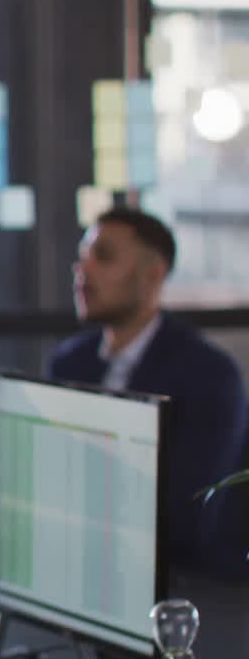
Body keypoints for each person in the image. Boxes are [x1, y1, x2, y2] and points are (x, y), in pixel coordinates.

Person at [49, 208, 248, 577]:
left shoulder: (209, 375)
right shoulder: (69, 362)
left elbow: (191, 516)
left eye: (103, 257)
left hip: (189, 583)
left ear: (152, 275)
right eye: (83, 257)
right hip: (83, 566)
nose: (83, 269)